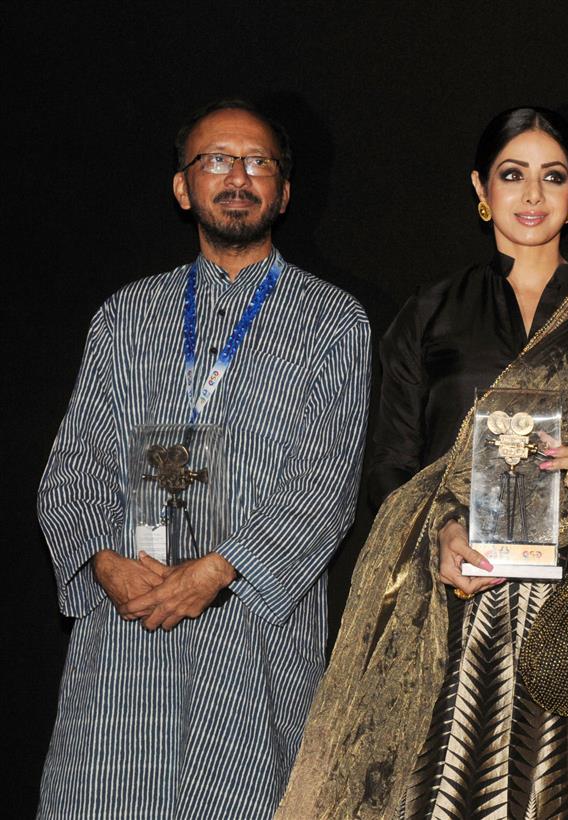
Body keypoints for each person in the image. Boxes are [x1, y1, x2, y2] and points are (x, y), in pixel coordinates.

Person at [279, 107, 568, 818]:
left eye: (552, 177)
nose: (532, 196)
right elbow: (392, 469)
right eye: (512, 175)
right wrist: (439, 537)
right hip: (453, 616)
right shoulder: (431, 314)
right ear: (480, 188)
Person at [37, 99, 371, 819]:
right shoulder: (124, 317)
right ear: (183, 187)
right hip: (126, 639)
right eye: (215, 160)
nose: (238, 177)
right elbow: (72, 471)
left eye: (259, 163)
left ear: (285, 190)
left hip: (247, 635)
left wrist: (219, 569)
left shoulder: (333, 322)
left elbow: (324, 488)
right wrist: (103, 562)